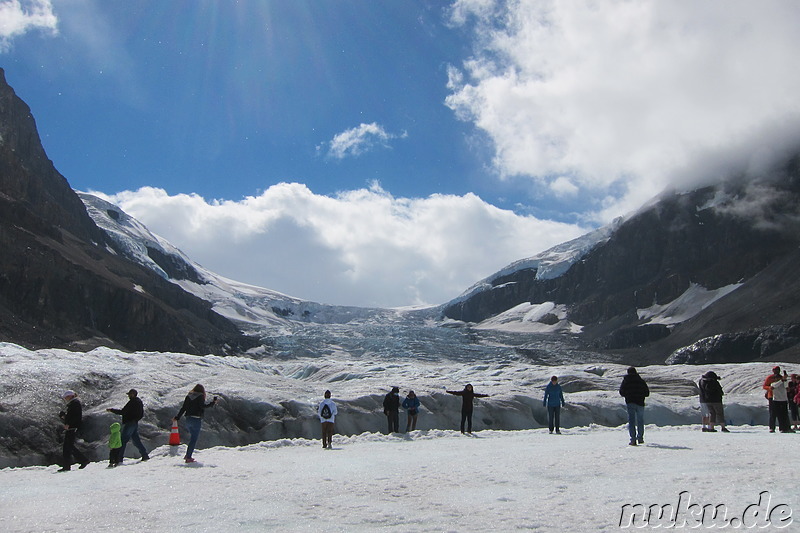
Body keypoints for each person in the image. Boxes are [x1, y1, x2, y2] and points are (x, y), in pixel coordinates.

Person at [172, 384, 218, 463]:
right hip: (196, 419)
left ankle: (188, 454)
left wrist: (177, 417)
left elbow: (184, 408)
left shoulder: (188, 396)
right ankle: (188, 457)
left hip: (188, 419)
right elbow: (202, 406)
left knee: (192, 438)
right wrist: (212, 403)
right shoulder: (200, 396)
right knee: (193, 439)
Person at [106, 389, 149, 462]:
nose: (128, 396)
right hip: (134, 423)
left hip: (129, 423)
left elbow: (123, 412)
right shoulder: (138, 402)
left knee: (123, 440)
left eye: (129, 394)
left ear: (133, 394)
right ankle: (144, 455)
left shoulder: (132, 402)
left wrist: (112, 410)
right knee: (136, 440)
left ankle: (119, 458)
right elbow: (141, 414)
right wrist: (136, 419)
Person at [57, 390, 90, 472]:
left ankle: (81, 461)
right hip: (72, 426)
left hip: (72, 427)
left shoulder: (74, 404)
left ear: (70, 396)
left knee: (68, 446)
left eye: (66, 397)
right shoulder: (74, 403)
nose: (65, 399)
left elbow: (74, 416)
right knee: (69, 446)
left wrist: (67, 420)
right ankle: (74, 463)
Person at [619, 367, 649, 446]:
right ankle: (640, 438)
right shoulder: (641, 381)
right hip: (640, 403)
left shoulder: (626, 381)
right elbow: (647, 393)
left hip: (630, 402)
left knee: (631, 421)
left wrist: (628, 395)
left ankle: (633, 439)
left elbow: (621, 392)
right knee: (640, 421)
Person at [763, 367, 793, 433]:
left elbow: (786, 386)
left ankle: (784, 427)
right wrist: (769, 388)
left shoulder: (782, 378)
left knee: (782, 413)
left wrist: (784, 380)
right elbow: (765, 386)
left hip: (781, 397)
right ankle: (772, 427)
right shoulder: (770, 378)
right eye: (775, 370)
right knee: (773, 413)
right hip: (772, 396)